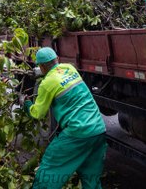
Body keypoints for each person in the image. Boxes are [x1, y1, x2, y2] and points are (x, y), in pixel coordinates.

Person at [24, 47, 107, 189]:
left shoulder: (47, 83)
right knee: (91, 179)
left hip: (78, 132)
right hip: (98, 129)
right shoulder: (69, 68)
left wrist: (26, 103)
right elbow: (56, 73)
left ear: (41, 66)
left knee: (50, 167)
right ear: (57, 59)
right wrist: (44, 72)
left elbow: (38, 113)